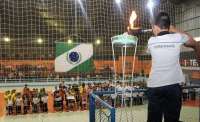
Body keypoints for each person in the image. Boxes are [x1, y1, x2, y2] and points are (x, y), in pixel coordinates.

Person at [145, 12, 200, 122]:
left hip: (155, 86)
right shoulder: (178, 37)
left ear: (156, 27)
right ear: (169, 26)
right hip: (173, 86)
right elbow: (193, 42)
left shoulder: (151, 41)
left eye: (153, 27)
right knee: (172, 119)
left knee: (153, 120)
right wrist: (174, 29)